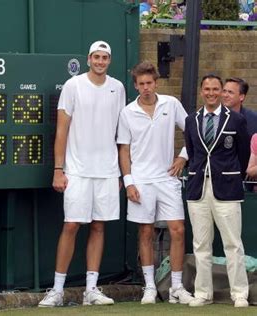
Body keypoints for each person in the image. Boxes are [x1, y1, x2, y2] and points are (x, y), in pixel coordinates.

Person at [38, 40, 125, 307]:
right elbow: (62, 130)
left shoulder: (118, 88)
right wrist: (58, 169)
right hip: (76, 170)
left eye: (105, 58)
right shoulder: (73, 86)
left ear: (109, 61)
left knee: (99, 226)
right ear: (88, 59)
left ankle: (91, 290)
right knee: (72, 225)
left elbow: (121, 132)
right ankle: (57, 290)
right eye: (96, 57)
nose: (100, 61)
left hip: (108, 171)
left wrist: (122, 173)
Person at [117, 61, 193, 305]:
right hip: (141, 180)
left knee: (178, 230)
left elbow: (193, 132)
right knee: (145, 231)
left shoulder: (171, 104)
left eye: (149, 83)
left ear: (156, 83)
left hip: (167, 179)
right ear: (136, 86)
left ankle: (177, 287)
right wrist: (129, 182)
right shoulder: (128, 112)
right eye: (141, 84)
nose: (146, 88)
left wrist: (182, 157)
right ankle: (149, 286)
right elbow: (124, 150)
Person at [184, 74, 250, 308]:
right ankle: (203, 293)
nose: (211, 93)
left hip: (228, 188)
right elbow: (192, 154)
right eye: (207, 89)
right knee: (201, 244)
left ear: (222, 91)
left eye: (216, 89)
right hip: (198, 188)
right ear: (201, 91)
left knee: (233, 243)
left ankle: (239, 293)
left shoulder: (236, 120)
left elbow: (243, 154)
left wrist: (232, 175)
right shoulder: (191, 120)